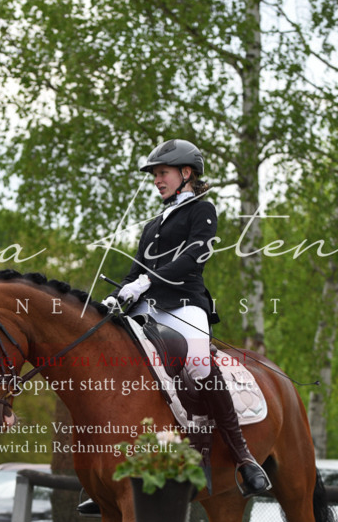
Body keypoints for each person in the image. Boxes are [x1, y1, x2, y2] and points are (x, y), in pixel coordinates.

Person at [102, 138, 271, 499]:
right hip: (145, 307)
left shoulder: (202, 210)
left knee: (197, 363)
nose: (156, 180)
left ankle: (243, 456)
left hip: (183, 304)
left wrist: (148, 281)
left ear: (186, 173)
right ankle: (107, 470)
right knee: (114, 359)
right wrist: (118, 295)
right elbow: (135, 269)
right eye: (155, 175)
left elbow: (194, 257)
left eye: (162, 173)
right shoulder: (153, 224)